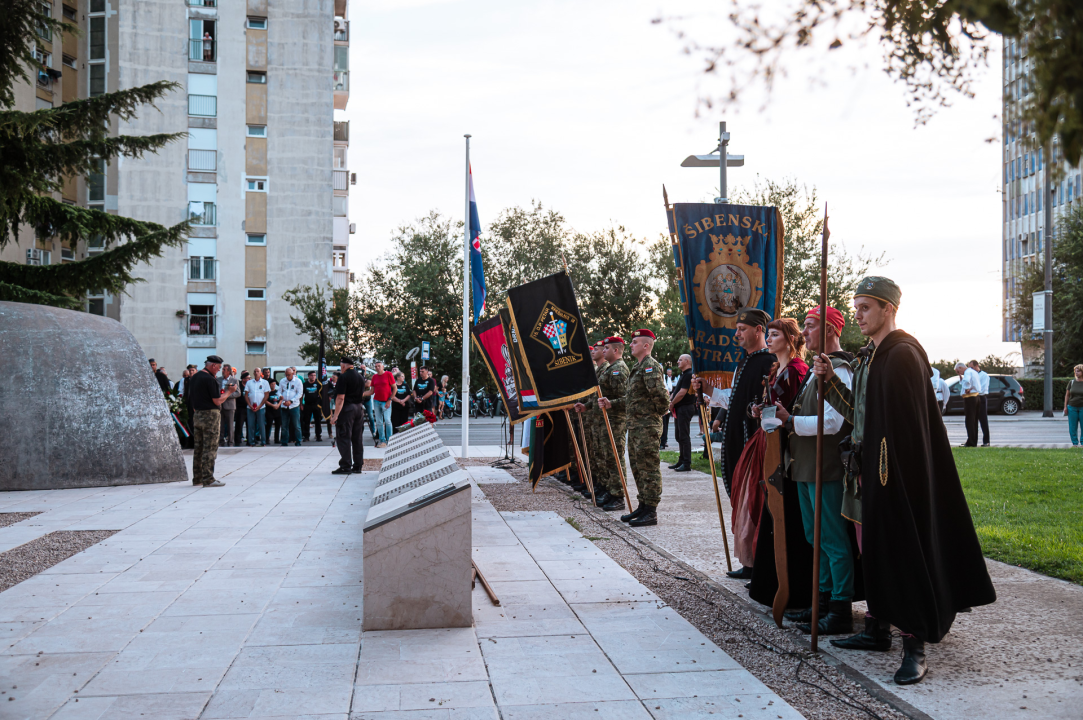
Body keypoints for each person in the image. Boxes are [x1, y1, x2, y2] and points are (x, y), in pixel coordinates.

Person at [815, 276, 996, 685]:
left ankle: (915, 645)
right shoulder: (871, 356)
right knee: (875, 553)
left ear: (888, 309)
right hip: (866, 474)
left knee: (902, 553)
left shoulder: (902, 354)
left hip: (894, 476)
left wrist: (891, 477)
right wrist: (828, 383)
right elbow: (860, 415)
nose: (858, 315)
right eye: (856, 307)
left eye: (866, 308)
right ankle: (877, 629)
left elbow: (907, 430)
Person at [778, 306, 859, 635]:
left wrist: (790, 421)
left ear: (829, 329)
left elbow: (834, 422)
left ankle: (840, 607)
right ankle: (822, 600)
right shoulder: (816, 369)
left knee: (833, 539)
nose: (803, 334)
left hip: (825, 468)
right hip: (806, 466)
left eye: (809, 326)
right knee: (816, 538)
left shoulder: (840, 368)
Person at [743, 318, 811, 610]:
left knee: (784, 512)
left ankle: (788, 584)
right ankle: (767, 577)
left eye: (774, 335)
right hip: (769, 440)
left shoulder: (797, 370)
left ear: (790, 339)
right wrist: (759, 410)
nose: (769, 339)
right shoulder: (775, 370)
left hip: (786, 447)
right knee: (765, 506)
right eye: (768, 334)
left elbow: (794, 410)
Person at [720, 307, 776, 579]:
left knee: (754, 504)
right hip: (740, 443)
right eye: (736, 328)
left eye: (742, 329)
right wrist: (709, 393)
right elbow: (734, 401)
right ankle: (749, 561)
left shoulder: (768, 362)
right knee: (744, 504)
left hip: (756, 446)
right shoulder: (744, 362)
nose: (737, 333)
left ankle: (757, 563)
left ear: (758, 330)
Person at [600, 329, 670, 526]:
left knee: (649, 467)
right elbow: (631, 398)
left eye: (635, 342)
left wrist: (655, 415)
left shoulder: (650, 366)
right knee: (638, 467)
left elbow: (661, 397)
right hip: (636, 426)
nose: (630, 345)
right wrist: (612, 403)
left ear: (646, 346)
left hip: (647, 426)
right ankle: (643, 505)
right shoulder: (637, 367)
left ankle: (651, 510)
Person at [575, 337, 628, 512]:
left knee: (614, 458)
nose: (603, 351)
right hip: (601, 420)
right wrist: (586, 406)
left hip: (615, 421)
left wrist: (611, 404)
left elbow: (625, 398)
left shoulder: (619, 369)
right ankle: (606, 489)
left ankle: (618, 495)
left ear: (616, 350)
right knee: (604, 457)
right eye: (602, 348)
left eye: (606, 348)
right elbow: (597, 397)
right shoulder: (609, 369)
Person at [189, 355, 229, 487]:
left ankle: (197, 478)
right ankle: (208, 478)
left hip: (198, 414)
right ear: (213, 366)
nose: (218, 370)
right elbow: (217, 400)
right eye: (218, 368)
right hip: (210, 415)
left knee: (199, 447)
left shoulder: (195, 377)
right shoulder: (210, 379)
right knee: (210, 447)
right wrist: (229, 392)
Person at [331, 357, 366, 474]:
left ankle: (345, 466)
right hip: (359, 408)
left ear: (343, 365)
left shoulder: (343, 377)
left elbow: (340, 398)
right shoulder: (360, 377)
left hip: (347, 409)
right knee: (357, 438)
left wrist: (335, 415)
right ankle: (358, 465)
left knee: (344, 436)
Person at [668, 354, 696, 472]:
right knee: (679, 436)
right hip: (680, 408)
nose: (678, 361)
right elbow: (676, 391)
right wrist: (670, 401)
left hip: (685, 408)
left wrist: (672, 403)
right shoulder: (684, 375)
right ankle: (681, 460)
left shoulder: (689, 374)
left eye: (680, 360)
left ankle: (686, 463)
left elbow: (682, 393)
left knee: (684, 436)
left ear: (687, 361)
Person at [370, 361, 396, 447]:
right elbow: (371, 391)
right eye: (376, 366)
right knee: (379, 422)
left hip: (386, 401)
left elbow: (395, 388)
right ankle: (382, 441)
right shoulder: (374, 377)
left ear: (383, 366)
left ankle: (390, 440)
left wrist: (390, 400)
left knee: (388, 421)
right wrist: (361, 393)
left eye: (379, 366)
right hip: (377, 401)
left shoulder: (388, 374)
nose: (377, 368)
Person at [956, 361, 982, 447]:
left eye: (958, 371)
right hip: (976, 397)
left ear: (960, 368)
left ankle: (970, 442)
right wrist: (960, 376)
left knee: (969, 421)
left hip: (970, 398)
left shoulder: (967, 372)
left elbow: (966, 381)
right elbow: (965, 381)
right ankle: (973, 440)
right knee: (974, 421)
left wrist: (967, 388)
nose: (959, 373)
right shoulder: (973, 372)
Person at [245, 367, 270, 447]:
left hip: (261, 407)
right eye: (255, 371)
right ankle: (251, 442)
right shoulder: (249, 383)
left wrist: (260, 405)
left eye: (258, 371)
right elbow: (246, 394)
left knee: (261, 424)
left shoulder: (265, 382)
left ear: (260, 373)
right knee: (250, 425)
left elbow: (266, 395)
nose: (256, 373)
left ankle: (263, 441)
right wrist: (249, 405)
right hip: (250, 407)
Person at [279, 366, 304, 446]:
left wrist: (291, 401)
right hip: (284, 406)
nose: (287, 376)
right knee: (284, 426)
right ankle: (284, 442)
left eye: (289, 375)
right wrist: (280, 397)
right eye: (286, 375)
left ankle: (298, 441)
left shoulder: (298, 381)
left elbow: (299, 393)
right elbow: (279, 391)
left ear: (293, 374)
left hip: (294, 406)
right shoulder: (282, 381)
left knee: (296, 425)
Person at [968, 360, 991, 446]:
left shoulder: (984, 375)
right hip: (973, 397)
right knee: (973, 420)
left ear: (976, 365)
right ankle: (973, 440)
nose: (971, 369)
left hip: (981, 397)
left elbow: (981, 388)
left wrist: (971, 389)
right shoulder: (971, 375)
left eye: (972, 367)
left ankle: (986, 441)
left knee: (983, 420)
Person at [219, 364, 240, 447]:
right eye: (222, 369)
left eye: (224, 370)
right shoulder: (218, 380)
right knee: (220, 425)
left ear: (228, 371)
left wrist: (227, 395)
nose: (222, 371)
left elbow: (238, 393)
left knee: (230, 425)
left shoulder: (234, 380)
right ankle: (220, 441)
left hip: (230, 406)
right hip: (220, 405)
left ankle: (230, 442)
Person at [301, 370, 324, 442]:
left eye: (314, 375)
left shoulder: (318, 384)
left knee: (318, 421)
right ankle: (306, 436)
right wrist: (301, 404)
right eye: (311, 375)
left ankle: (318, 436)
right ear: (308, 376)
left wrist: (321, 404)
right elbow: (301, 395)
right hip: (307, 405)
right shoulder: (305, 384)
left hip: (316, 405)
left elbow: (322, 394)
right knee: (306, 421)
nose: (313, 377)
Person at [1065, 364, 1083, 445]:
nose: (1076, 373)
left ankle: (1082, 443)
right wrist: (1065, 407)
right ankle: (1075, 443)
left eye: (1078, 371)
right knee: (1072, 427)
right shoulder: (1071, 382)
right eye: (1075, 371)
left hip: (1082, 408)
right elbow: (1067, 395)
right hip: (1072, 407)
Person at [661, 367, 677, 449]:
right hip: (662, 404)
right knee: (662, 424)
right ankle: (662, 442)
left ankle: (663, 442)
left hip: (664, 404)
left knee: (664, 424)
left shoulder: (665, 378)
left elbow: (669, 390)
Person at [265, 380, 282, 444]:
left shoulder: (278, 392)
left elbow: (281, 399)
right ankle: (267, 439)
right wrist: (272, 405)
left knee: (278, 425)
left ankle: (277, 439)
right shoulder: (267, 393)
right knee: (268, 425)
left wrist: (278, 405)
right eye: (272, 384)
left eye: (274, 384)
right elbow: (265, 400)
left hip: (277, 411)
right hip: (270, 411)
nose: (273, 385)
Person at [235, 371, 249, 446]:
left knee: (249, 425)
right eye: (247, 378)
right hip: (240, 408)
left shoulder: (250, 385)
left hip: (248, 407)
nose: (248, 380)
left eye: (249, 378)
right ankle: (237, 440)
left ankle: (249, 440)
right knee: (239, 425)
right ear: (243, 379)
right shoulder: (239, 385)